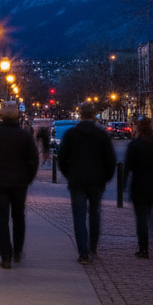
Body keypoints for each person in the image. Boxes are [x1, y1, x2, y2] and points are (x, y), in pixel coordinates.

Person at [0, 102, 39, 268]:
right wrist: (28, 177)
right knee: (18, 217)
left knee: (1, 219)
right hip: (20, 182)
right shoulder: (25, 136)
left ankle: (6, 255)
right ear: (17, 116)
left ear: (1, 116)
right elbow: (33, 160)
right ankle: (18, 251)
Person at [57, 103, 117, 263]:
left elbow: (62, 159)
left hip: (77, 180)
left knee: (79, 216)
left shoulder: (71, 134)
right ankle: (93, 247)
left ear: (81, 114)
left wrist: (69, 174)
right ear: (93, 115)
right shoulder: (101, 135)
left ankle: (83, 252)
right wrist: (105, 177)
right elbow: (110, 160)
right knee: (95, 214)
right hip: (97, 181)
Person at [123, 117, 153, 259]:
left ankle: (143, 248)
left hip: (139, 184)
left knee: (141, 218)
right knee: (150, 213)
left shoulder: (135, 144)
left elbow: (128, 166)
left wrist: (124, 184)